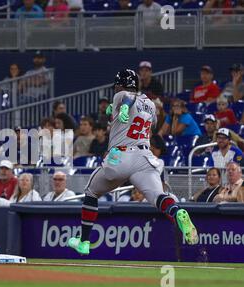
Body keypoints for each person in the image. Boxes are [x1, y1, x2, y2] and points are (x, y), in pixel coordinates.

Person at [68, 69, 199, 256]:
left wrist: (122, 107)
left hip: (120, 156)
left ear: (120, 84)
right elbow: (149, 123)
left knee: (91, 192)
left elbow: (127, 98)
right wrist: (114, 110)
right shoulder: (150, 104)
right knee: (158, 197)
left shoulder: (122, 95)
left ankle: (84, 242)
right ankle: (177, 211)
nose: (116, 90)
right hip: (144, 158)